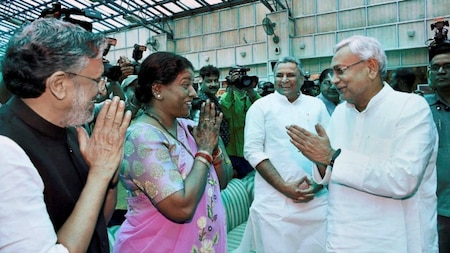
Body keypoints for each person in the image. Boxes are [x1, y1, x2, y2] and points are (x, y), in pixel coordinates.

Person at [286, 35, 439, 252]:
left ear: (371, 67)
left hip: (395, 239)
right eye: (332, 73)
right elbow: (331, 171)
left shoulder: (411, 108)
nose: (333, 80)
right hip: (343, 237)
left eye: (340, 70)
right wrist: (320, 161)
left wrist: (331, 157)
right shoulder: (340, 113)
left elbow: (403, 179)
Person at [0, 18, 131, 253]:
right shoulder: (6, 152)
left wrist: (107, 175)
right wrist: (99, 175)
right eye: (95, 80)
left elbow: (97, 222)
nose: (102, 90)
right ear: (59, 84)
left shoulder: (70, 130)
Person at [114, 52, 230, 253]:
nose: (193, 93)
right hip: (155, 246)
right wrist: (204, 151)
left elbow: (222, 182)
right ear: (158, 89)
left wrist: (214, 147)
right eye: (186, 85)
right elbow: (181, 209)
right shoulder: (142, 137)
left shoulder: (188, 128)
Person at [235, 56, 329, 253]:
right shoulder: (261, 107)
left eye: (290, 75)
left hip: (315, 200)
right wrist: (283, 187)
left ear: (302, 79)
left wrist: (318, 185)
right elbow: (252, 151)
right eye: (279, 75)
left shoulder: (316, 106)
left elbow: (328, 148)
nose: (284, 79)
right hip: (274, 203)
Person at [426, 42, 450, 253]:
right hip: (437, 208)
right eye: (436, 67)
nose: (441, 71)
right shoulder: (420, 109)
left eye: (448, 66)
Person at [220, 67, 261, 178]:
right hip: (231, 152)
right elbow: (225, 108)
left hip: (249, 150)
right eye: (237, 77)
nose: (241, 79)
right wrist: (231, 86)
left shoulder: (251, 96)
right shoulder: (227, 97)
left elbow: (263, 108)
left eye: (243, 76)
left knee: (251, 182)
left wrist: (250, 90)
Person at [191, 64, 230, 147]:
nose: (213, 84)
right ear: (201, 81)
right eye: (209, 81)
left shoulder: (214, 99)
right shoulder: (200, 102)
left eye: (216, 81)